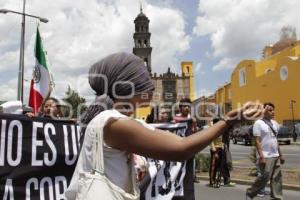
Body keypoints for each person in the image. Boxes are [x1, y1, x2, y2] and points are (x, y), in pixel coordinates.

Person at [65, 52, 262, 199]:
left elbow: (178, 141)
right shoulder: (114, 122)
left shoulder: (117, 121)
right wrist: (228, 120)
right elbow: (181, 149)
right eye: (144, 80)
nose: (150, 87)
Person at [246, 103, 285, 200]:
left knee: (277, 178)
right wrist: (262, 157)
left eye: (273, 110)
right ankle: (250, 192)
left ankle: (277, 197)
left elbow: (275, 140)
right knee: (265, 177)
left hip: (275, 155)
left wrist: (281, 155)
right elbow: (257, 141)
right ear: (264, 111)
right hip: (265, 156)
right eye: (270, 110)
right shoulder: (258, 123)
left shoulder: (275, 123)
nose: (273, 112)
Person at [209, 118, 235, 187]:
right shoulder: (212, 129)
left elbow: (222, 139)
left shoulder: (220, 129)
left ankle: (219, 180)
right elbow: (210, 140)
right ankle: (212, 181)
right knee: (213, 166)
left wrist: (223, 146)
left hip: (221, 148)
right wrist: (213, 149)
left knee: (221, 165)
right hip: (215, 149)